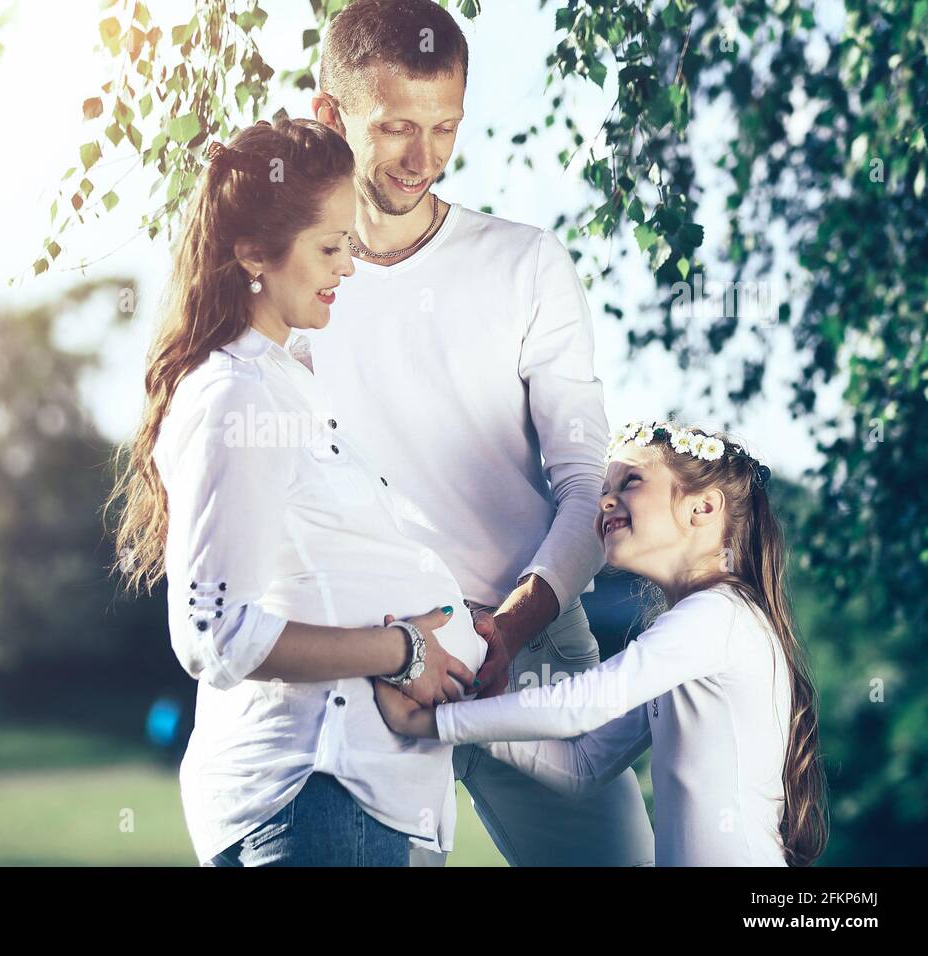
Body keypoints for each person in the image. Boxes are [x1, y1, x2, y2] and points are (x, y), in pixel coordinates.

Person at [306, 0, 655, 865]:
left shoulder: (525, 263)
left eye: (445, 127)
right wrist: (396, 643)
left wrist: (511, 622)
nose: (421, 158)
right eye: (393, 128)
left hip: (532, 647)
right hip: (376, 667)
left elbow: (587, 485)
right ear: (329, 117)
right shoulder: (289, 288)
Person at [107, 116, 499, 866]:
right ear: (253, 252)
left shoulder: (288, 382)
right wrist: (403, 649)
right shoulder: (239, 397)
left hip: (354, 802)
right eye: (329, 246)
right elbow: (215, 634)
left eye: (349, 242)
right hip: (318, 797)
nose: (346, 265)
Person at [374, 422, 831, 866]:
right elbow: (583, 765)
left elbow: (587, 703)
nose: (605, 500)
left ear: (703, 508)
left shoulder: (720, 614)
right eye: (603, 490)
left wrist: (433, 720)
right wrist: (481, 724)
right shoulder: (701, 624)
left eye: (630, 482)